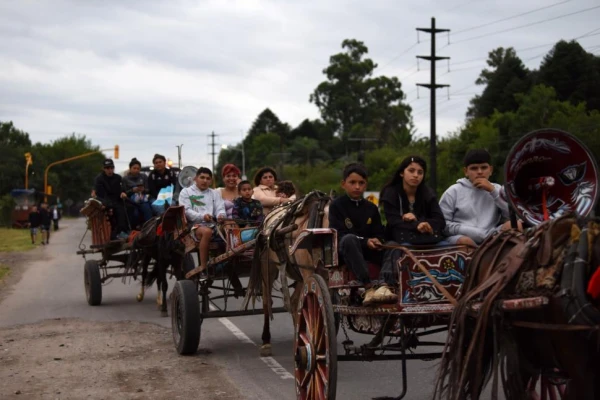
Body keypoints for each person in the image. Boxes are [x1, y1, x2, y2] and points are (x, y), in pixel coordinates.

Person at [328, 163, 397, 306]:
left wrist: (378, 240)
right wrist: (366, 241)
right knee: (349, 239)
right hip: (348, 250)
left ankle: (384, 285)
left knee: (393, 245)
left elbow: (379, 232)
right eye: (352, 182)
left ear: (366, 185)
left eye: (361, 183)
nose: (357, 187)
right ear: (343, 184)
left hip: (370, 250)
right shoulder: (336, 205)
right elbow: (339, 233)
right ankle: (367, 286)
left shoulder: (371, 207)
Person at [439, 149, 510, 247]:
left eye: (484, 167)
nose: (480, 172)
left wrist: (493, 192)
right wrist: (479, 234)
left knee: (515, 225)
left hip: (492, 237)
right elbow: (442, 225)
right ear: (466, 171)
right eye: (474, 168)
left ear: (491, 170)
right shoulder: (453, 191)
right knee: (465, 241)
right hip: (461, 237)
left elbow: (512, 216)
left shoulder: (498, 189)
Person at [380, 155, 446, 245]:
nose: (416, 175)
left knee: (445, 246)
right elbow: (393, 221)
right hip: (400, 239)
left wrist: (420, 222)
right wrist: (416, 225)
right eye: (411, 171)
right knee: (406, 249)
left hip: (427, 238)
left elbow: (440, 221)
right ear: (402, 173)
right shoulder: (391, 193)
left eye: (420, 172)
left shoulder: (428, 193)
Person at [178, 167, 226, 271]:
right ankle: (204, 267)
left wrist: (221, 216)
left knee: (231, 227)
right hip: (194, 226)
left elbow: (220, 208)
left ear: (211, 181)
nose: (205, 180)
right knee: (207, 232)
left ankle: (226, 261)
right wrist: (202, 216)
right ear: (195, 178)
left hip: (214, 224)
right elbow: (186, 211)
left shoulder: (214, 193)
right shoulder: (186, 192)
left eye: (208, 178)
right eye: (202, 177)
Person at [94, 158, 129, 239]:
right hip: (105, 201)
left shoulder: (118, 178)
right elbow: (100, 194)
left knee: (129, 208)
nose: (110, 170)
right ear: (103, 169)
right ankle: (115, 234)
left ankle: (126, 230)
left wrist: (123, 193)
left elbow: (122, 189)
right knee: (114, 210)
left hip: (117, 200)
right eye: (107, 168)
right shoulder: (99, 179)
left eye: (111, 168)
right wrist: (108, 204)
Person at [122, 157, 152, 227]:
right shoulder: (125, 179)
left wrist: (143, 190)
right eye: (134, 168)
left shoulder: (143, 176)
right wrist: (132, 190)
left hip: (143, 199)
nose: (136, 170)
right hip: (131, 201)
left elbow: (148, 190)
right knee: (135, 213)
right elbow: (124, 192)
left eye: (138, 168)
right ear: (130, 168)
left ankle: (149, 227)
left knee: (147, 209)